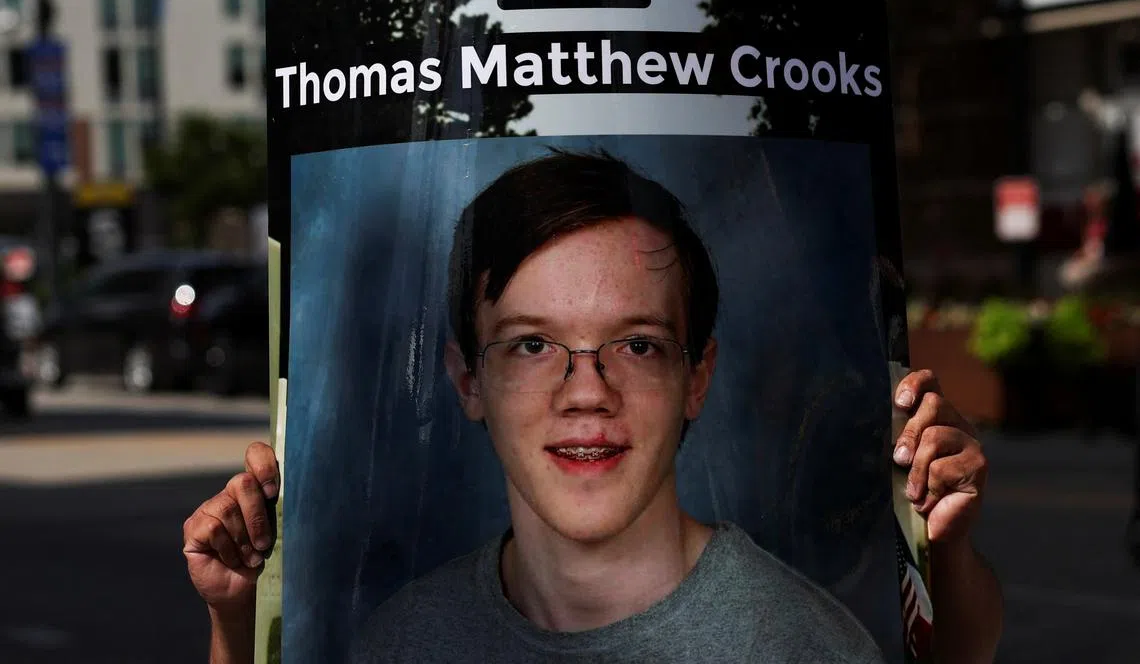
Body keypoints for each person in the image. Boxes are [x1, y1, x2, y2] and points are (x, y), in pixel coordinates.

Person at [184, 151, 1003, 663]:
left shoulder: (803, 645)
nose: (586, 391)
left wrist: (949, 561)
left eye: (638, 344)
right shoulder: (403, 641)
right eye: (533, 344)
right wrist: (234, 621)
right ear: (468, 379)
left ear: (699, 375)